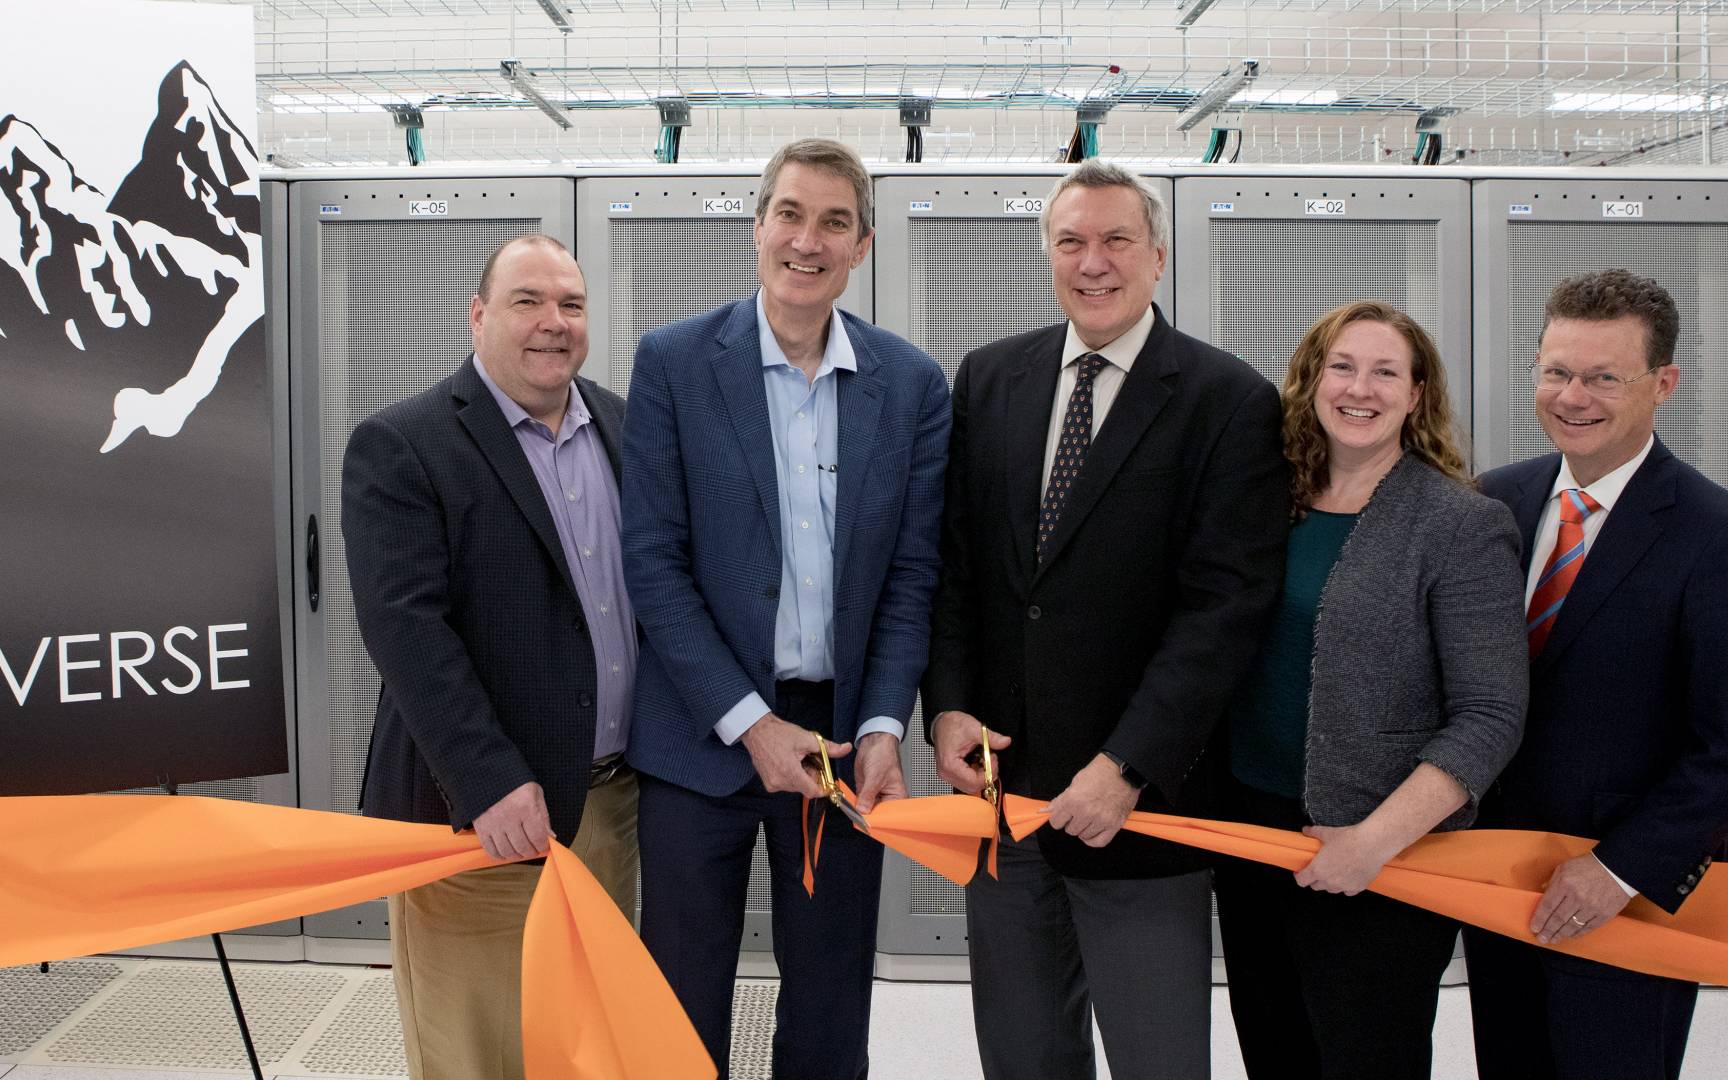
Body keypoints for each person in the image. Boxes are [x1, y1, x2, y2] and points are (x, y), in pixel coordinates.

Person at [922, 158, 1288, 1080]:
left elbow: (1223, 611)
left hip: (1142, 813)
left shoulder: (1226, 400)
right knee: (1024, 1055)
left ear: (1158, 257)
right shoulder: (991, 378)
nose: (1094, 262)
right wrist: (951, 707)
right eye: (1072, 241)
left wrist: (1126, 766)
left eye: (1117, 240)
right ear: (1048, 254)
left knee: (1156, 1058)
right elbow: (958, 567)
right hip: (1004, 801)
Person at [619, 137, 951, 1080]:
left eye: (835, 222)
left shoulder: (913, 385)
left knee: (829, 1010)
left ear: (864, 245)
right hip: (700, 737)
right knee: (679, 1012)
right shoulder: (676, 363)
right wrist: (750, 722)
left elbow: (912, 576)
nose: (810, 240)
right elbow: (653, 561)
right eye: (792, 215)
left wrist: (887, 724)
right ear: (758, 225)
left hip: (845, 743)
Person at [340, 234, 638, 1080]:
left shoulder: (620, 424)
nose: (554, 323)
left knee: (585, 1038)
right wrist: (489, 781)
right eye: (528, 302)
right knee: (479, 1049)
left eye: (571, 305)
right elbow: (405, 628)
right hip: (481, 818)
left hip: (610, 806)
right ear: (478, 317)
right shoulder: (405, 442)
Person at [1212, 301, 1528, 1079]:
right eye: (1343, 366)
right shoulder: (1261, 502)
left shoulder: (1460, 523)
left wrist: (1375, 841)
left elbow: (1490, 715)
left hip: (1385, 856)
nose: (1362, 388)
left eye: (1386, 371)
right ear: (1311, 380)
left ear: (1417, 395)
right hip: (1252, 835)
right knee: (1274, 1051)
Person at [1465, 269, 1728, 1080]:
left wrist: (1617, 870)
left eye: (1603, 377)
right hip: (1489, 881)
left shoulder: (1710, 531)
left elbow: (1724, 747)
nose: (1572, 397)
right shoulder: (1493, 504)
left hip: (1623, 897)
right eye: (1557, 372)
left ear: (1664, 384)